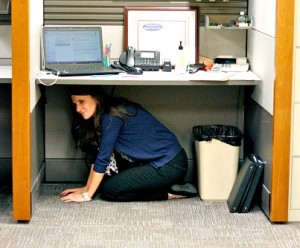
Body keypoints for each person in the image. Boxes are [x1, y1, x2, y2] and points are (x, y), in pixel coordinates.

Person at [61, 85, 197, 203]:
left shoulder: (111, 116)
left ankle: (171, 193)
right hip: (153, 162)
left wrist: (87, 196)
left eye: (82, 101)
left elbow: (103, 157)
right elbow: (98, 154)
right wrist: (87, 187)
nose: (78, 109)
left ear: (96, 98)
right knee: (106, 182)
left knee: (110, 190)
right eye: (75, 104)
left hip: (170, 164)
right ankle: (168, 186)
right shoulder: (105, 113)